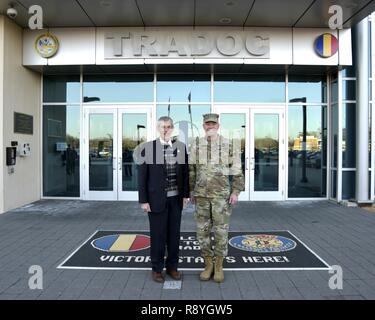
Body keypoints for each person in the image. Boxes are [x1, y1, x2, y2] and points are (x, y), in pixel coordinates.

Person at [189, 113, 244, 283]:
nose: (210, 126)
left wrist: (235, 192)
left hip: (221, 197)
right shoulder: (196, 145)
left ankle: (219, 265)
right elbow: (191, 170)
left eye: (213, 123)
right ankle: (208, 264)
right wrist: (191, 190)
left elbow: (237, 170)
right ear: (203, 126)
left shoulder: (229, 144)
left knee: (221, 232)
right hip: (202, 196)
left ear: (218, 125)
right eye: (207, 124)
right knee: (202, 233)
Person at [136, 116, 189, 283]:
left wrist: (186, 195)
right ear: (158, 128)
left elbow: (185, 174)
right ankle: (157, 269)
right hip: (156, 200)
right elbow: (142, 177)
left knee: (174, 236)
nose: (165, 129)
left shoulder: (180, 147)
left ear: (172, 128)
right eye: (162, 127)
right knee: (158, 236)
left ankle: (172, 267)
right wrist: (144, 201)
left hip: (176, 200)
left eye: (168, 126)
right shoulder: (148, 148)